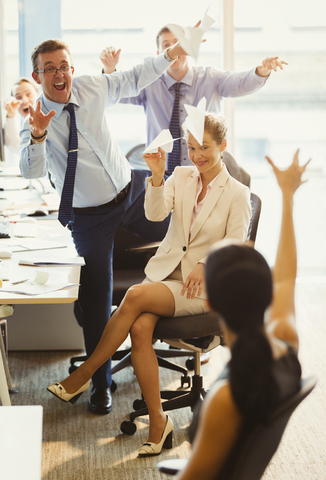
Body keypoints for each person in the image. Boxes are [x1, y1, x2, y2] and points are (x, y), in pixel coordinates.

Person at [47, 113, 252, 457]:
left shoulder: (237, 194)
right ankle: (159, 423)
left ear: (223, 146)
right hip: (165, 275)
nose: (197, 155)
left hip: (199, 287)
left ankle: (86, 372)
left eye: (205, 147)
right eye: (191, 148)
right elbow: (156, 215)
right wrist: (157, 177)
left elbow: (236, 243)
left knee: (135, 294)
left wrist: (205, 263)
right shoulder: (183, 176)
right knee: (140, 329)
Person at [19, 37, 190, 415]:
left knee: (187, 228)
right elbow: (30, 170)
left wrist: (171, 53)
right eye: (50, 68)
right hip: (89, 219)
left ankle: (203, 299)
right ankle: (100, 382)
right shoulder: (35, 117)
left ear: (72, 68)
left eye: (63, 65)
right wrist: (38, 134)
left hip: (129, 193)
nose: (59, 73)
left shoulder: (90, 87)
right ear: (38, 76)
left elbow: (134, 77)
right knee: (94, 302)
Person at [173, 150, 308, 480]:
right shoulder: (284, 342)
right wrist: (288, 196)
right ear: (266, 294)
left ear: (211, 304)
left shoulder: (225, 399)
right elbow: (287, 276)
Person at [101, 25, 288, 172]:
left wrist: (261, 70)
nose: (175, 49)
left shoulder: (211, 78)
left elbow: (241, 83)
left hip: (205, 173)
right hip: (162, 175)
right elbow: (116, 92)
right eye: (167, 45)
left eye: (179, 43)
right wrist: (110, 70)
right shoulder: (149, 83)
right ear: (160, 54)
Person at [4, 77, 39, 153]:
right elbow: (15, 145)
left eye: (28, 94)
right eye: (18, 97)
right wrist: (11, 115)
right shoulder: (25, 130)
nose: (24, 101)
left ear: (38, 95)